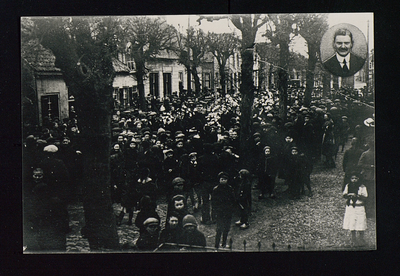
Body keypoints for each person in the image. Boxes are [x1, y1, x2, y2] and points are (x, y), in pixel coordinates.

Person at [342, 171, 368, 247]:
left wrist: (356, 196)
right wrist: (348, 195)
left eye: (355, 178)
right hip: (351, 207)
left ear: (358, 179)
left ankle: (361, 238)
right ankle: (353, 238)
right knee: (352, 222)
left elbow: (365, 197)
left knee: (360, 222)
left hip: (359, 206)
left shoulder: (362, 187)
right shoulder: (348, 186)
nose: (354, 180)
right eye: (352, 178)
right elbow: (344, 195)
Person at [212, 172, 236, 249]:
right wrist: (214, 213)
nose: (223, 181)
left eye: (225, 179)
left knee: (226, 229)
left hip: (228, 212)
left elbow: (233, 200)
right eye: (222, 179)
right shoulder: (216, 189)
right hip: (219, 212)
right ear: (219, 180)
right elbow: (213, 203)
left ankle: (224, 244)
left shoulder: (230, 189)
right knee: (219, 229)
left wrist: (232, 210)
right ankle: (216, 246)